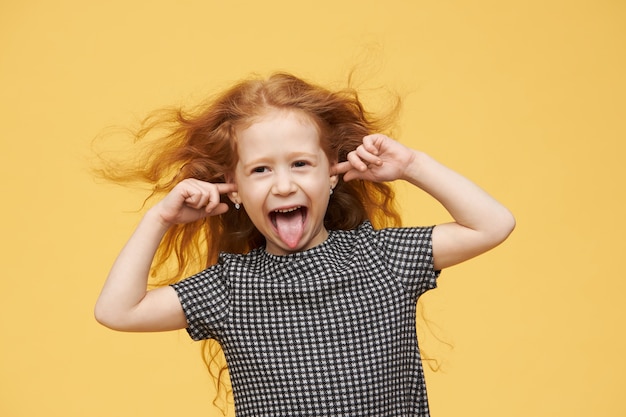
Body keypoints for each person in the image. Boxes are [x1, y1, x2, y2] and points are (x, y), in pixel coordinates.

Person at [94, 72, 515, 416]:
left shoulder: (383, 259)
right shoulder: (230, 289)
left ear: (331, 174)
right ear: (233, 188)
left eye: (300, 164)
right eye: (260, 170)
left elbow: (492, 224)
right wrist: (160, 218)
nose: (283, 184)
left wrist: (411, 165)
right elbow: (117, 310)